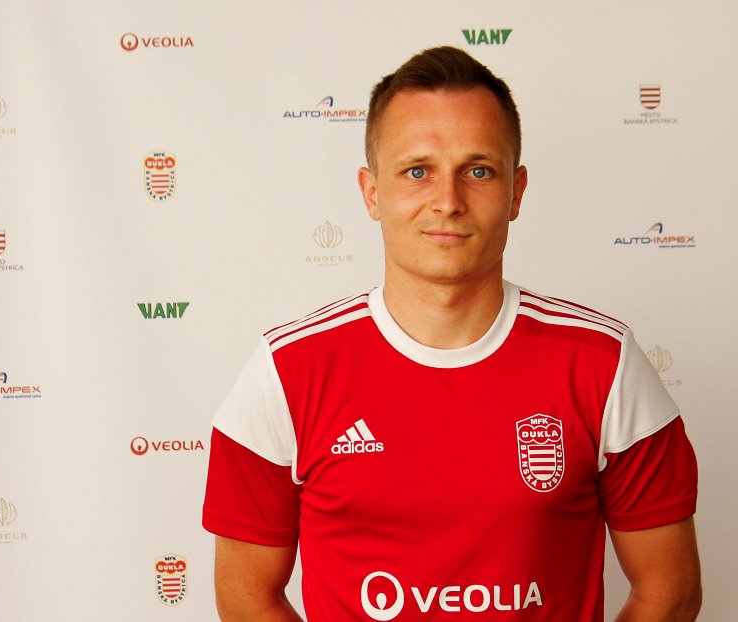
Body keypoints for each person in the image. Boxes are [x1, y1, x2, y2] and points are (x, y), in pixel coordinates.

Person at [203, 46, 701, 621]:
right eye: (418, 171)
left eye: (478, 171)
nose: (448, 201)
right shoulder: (285, 372)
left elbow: (671, 589)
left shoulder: (605, 365)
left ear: (516, 191)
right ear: (371, 192)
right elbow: (246, 596)